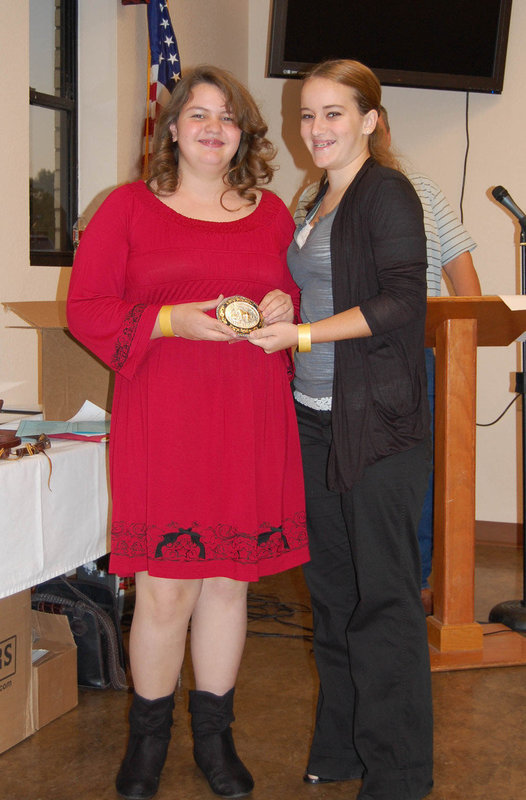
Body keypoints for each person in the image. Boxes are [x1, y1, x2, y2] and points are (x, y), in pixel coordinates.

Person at [67, 65, 309, 800]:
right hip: (166, 414)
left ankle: (215, 740)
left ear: (243, 134)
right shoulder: (129, 209)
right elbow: (88, 308)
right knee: (166, 590)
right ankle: (147, 744)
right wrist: (171, 319)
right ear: (173, 128)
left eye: (227, 117)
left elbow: (289, 296)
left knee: (229, 586)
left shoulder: (270, 213)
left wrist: (277, 302)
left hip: (248, 413)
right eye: (198, 115)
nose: (213, 127)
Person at [249, 60, 433, 800]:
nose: (316, 128)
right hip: (316, 421)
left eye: (333, 114)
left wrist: (303, 336)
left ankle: (399, 773)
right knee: (331, 592)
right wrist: (278, 298)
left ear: (369, 120)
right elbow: (319, 280)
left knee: (383, 599)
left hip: (378, 426)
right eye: (306, 114)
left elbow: (399, 302)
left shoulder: (386, 192)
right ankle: (344, 747)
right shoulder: (319, 195)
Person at [377, 105, 481, 613]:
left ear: (384, 128)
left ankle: (414, 587)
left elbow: (467, 288)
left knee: (416, 477)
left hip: (415, 357)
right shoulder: (314, 196)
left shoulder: (424, 188)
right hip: (335, 362)